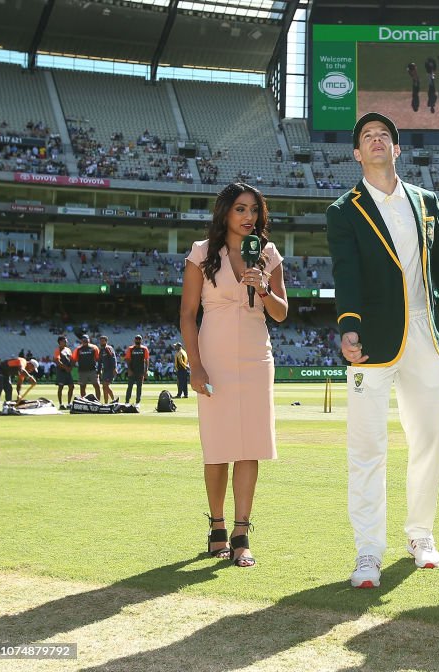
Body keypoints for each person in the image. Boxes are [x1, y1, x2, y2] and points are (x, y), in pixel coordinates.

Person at [327, 112, 439, 589]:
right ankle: (368, 550)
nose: (376, 141)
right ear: (356, 153)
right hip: (372, 340)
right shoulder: (343, 210)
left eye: (384, 136)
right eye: (368, 137)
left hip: (425, 336)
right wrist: (349, 328)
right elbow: (345, 273)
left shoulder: (424, 200)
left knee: (428, 439)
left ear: (397, 149)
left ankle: (421, 535)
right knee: (367, 447)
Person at [181, 181, 288, 568]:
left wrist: (262, 289)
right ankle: (217, 528)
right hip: (215, 357)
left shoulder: (268, 254)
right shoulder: (202, 253)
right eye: (241, 209)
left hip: (256, 359)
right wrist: (195, 364)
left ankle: (242, 533)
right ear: (225, 211)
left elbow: (281, 313)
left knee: (250, 445)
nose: (248, 217)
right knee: (218, 446)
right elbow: (187, 314)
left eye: (254, 210)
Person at [72, 334, 101, 399]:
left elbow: (98, 359)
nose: (85, 341)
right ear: (81, 341)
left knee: (97, 386)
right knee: (82, 387)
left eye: (86, 339)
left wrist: (99, 370)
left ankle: (98, 401)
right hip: (82, 371)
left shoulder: (94, 348)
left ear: (89, 340)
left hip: (93, 370)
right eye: (83, 340)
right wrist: (71, 367)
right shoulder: (78, 349)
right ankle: (84, 401)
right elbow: (74, 359)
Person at [123, 335, 149, 405]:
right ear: (134, 340)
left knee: (139, 387)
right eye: (136, 339)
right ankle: (127, 401)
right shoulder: (130, 348)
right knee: (130, 386)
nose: (138, 340)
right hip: (132, 370)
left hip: (140, 371)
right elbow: (127, 359)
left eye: (139, 339)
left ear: (141, 340)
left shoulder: (144, 349)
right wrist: (129, 370)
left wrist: (146, 371)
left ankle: (138, 402)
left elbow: (146, 360)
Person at [53, 335, 74, 409]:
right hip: (61, 371)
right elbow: (57, 361)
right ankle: (61, 404)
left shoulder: (68, 349)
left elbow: (71, 359)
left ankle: (69, 403)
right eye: (65, 341)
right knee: (60, 387)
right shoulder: (57, 350)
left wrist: (71, 367)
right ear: (60, 342)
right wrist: (66, 368)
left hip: (67, 371)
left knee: (71, 386)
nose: (66, 342)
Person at [98, 334, 119, 403]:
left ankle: (114, 400)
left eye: (103, 341)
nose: (101, 342)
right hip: (105, 370)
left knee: (106, 385)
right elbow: (100, 361)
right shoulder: (101, 350)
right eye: (100, 341)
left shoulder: (108, 348)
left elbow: (113, 359)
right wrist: (99, 370)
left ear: (106, 341)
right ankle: (106, 403)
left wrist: (115, 368)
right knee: (104, 387)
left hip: (110, 369)